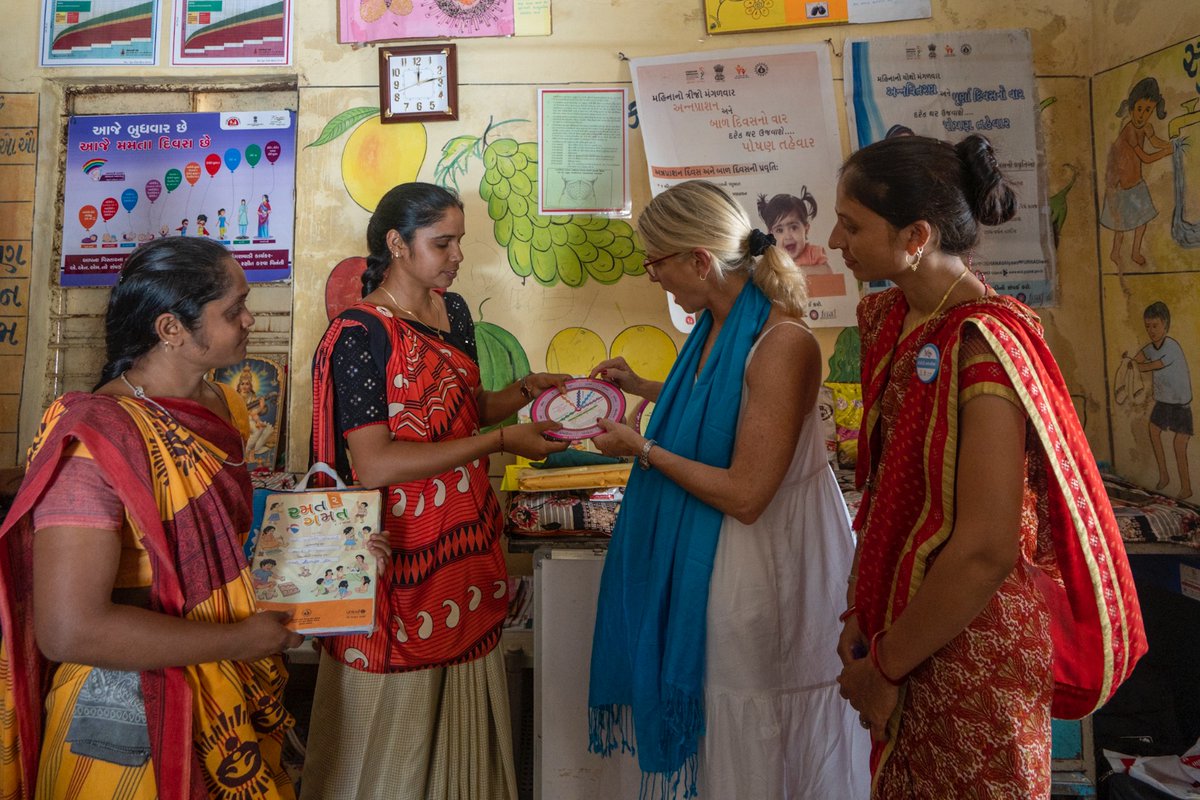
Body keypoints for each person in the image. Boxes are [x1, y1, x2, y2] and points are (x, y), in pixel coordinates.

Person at [828, 133, 1147, 798]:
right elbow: (886, 485)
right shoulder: (891, 317)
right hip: (899, 625)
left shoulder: (984, 343)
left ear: (915, 235)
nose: (834, 240)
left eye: (852, 224)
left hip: (968, 647)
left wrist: (885, 666)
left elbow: (984, 551)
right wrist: (862, 612)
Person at [587, 179, 869, 799]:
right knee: (732, 737)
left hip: (766, 565)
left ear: (699, 260)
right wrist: (645, 386)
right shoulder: (718, 327)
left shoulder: (781, 342)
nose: (652, 277)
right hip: (726, 559)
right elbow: (724, 405)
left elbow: (746, 493)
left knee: (766, 735)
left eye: (654, 262)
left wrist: (644, 451)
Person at [0, 236, 305, 799]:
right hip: (122, 720)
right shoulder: (97, 440)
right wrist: (236, 642)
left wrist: (337, 546)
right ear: (171, 330)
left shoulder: (224, 404)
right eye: (232, 309)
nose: (249, 318)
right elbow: (71, 630)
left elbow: (227, 548)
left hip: (223, 685)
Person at [305, 181, 570, 800]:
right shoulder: (358, 334)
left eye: (459, 242)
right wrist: (504, 444)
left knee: (465, 722)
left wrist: (527, 391)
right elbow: (374, 465)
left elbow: (465, 411)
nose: (455, 256)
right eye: (441, 242)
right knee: (395, 736)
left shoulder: (454, 314)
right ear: (397, 244)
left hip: (466, 550)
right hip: (399, 556)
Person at [1100, 76, 1175, 268]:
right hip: (1121, 188)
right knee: (1121, 226)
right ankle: (1115, 253)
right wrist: (1166, 152)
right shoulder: (1130, 131)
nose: (1142, 115)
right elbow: (1145, 157)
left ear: (1153, 110)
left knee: (1142, 222)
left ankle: (1135, 252)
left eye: (1147, 110)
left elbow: (1156, 143)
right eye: (1139, 109)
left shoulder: (1146, 127)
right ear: (1132, 107)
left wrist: (1170, 145)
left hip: (1137, 184)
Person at [1132, 300, 1192, 498]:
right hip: (1164, 403)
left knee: (1179, 444)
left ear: (1165, 325)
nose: (1151, 330)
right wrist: (1132, 362)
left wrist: (1140, 366)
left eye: (1155, 326)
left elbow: (1156, 364)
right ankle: (1164, 475)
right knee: (1153, 431)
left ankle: (1186, 487)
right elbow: (1139, 357)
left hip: (1181, 405)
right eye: (1148, 326)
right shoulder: (1151, 347)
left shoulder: (1171, 347)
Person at [756, 187, 832, 273]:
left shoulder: (813, 253)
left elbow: (827, 272)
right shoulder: (771, 260)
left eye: (794, 228)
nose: (788, 236)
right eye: (780, 230)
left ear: (806, 230)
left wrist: (793, 272)